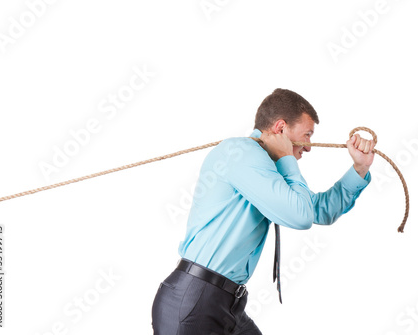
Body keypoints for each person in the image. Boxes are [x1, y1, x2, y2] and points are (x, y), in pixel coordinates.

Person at [151, 88, 375, 334]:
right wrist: (286, 159)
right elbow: (300, 217)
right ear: (280, 128)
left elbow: (318, 211)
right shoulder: (241, 153)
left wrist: (360, 168)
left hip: (225, 304)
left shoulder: (266, 166)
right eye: (307, 135)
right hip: (195, 301)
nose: (309, 146)